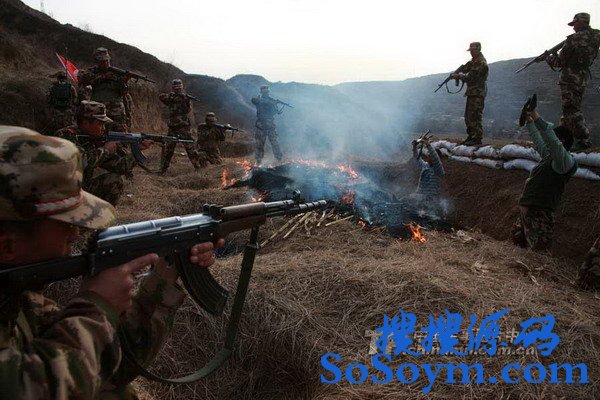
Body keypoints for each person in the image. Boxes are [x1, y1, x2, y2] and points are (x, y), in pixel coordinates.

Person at [0, 126, 222, 398]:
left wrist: (166, 274)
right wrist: (96, 306)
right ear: (6, 245)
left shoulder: (20, 302)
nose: (76, 233)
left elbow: (113, 368)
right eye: (65, 224)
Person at [511, 109, 577, 252]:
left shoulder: (565, 162)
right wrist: (529, 120)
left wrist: (536, 116)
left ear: (561, 142)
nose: (547, 142)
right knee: (518, 249)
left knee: (539, 254)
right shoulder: (549, 157)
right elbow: (538, 139)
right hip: (528, 211)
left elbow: (551, 139)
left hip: (540, 214)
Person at [56, 100, 144, 205]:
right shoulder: (65, 136)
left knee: (114, 180)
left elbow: (120, 167)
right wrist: (105, 150)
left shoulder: (94, 138)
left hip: (81, 187)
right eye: (100, 124)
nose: (103, 128)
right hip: (61, 192)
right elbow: (81, 162)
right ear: (85, 123)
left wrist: (137, 150)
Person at [547, 12, 600, 150]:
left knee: (571, 109)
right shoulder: (596, 36)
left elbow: (559, 62)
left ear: (582, 22)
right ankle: (563, 139)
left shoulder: (573, 39)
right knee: (569, 110)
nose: (573, 27)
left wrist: (549, 58)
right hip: (582, 78)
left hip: (570, 78)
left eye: (575, 23)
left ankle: (583, 139)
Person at [78, 47, 133, 132]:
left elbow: (124, 92)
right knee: (98, 134)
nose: (105, 63)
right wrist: (103, 77)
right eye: (102, 61)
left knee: (119, 135)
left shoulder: (116, 72)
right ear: (97, 61)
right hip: (98, 111)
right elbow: (83, 80)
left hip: (116, 111)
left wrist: (124, 81)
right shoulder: (92, 72)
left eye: (107, 60)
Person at [158, 79, 202, 172]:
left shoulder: (185, 98)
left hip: (183, 126)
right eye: (176, 88)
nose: (178, 90)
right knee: (168, 149)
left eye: (179, 88)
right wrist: (174, 98)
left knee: (190, 147)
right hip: (172, 126)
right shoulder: (171, 97)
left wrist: (184, 100)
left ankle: (198, 167)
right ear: (173, 88)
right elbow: (161, 97)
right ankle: (163, 169)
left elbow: (187, 110)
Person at [451, 42, 489, 146]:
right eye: (470, 51)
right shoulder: (474, 61)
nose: (471, 53)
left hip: (477, 93)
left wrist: (458, 76)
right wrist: (457, 72)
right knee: (468, 116)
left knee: (475, 115)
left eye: (472, 51)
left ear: (477, 50)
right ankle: (471, 136)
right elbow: (466, 68)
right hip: (472, 92)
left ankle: (477, 138)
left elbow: (471, 77)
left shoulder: (481, 62)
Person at [251, 85, 284, 165]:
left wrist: (277, 109)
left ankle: (279, 159)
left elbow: (274, 112)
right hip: (261, 125)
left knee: (274, 143)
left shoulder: (272, 101)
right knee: (260, 144)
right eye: (265, 92)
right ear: (261, 92)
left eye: (267, 92)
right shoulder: (258, 99)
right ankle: (258, 162)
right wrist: (271, 102)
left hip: (270, 125)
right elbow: (254, 100)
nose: (266, 93)